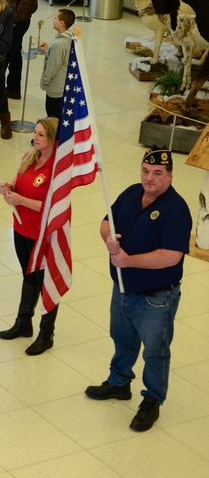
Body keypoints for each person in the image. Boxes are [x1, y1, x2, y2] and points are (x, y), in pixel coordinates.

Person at [88, 148, 192, 433]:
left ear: (170, 175)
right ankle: (119, 382)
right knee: (122, 337)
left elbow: (171, 256)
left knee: (155, 352)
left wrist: (126, 260)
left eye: (158, 173)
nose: (150, 178)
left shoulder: (176, 210)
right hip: (122, 288)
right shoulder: (132, 192)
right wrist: (109, 238)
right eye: (146, 171)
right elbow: (106, 221)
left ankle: (152, 400)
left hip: (155, 297)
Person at [0, 117, 59, 353]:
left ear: (52, 138)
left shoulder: (56, 169)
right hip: (21, 228)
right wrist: (8, 189)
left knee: (45, 282)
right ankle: (23, 323)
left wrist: (20, 200)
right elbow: (18, 185)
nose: (35, 137)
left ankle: (46, 333)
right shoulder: (28, 157)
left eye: (41, 134)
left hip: (42, 234)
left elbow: (53, 206)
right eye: (35, 132)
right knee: (28, 275)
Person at [0, 0, 38, 101]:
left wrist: (14, 20)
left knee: (7, 52)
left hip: (18, 20)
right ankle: (13, 88)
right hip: (13, 17)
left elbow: (29, 0)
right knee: (15, 54)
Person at [40, 9, 76, 118]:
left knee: (53, 117)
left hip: (56, 88)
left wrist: (45, 81)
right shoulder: (69, 38)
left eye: (55, 18)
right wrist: (47, 50)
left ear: (62, 23)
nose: (53, 20)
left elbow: (53, 67)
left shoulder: (59, 43)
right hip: (63, 87)